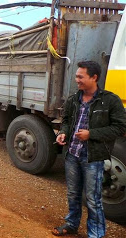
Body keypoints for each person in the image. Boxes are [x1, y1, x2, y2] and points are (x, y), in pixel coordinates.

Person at [52, 61, 126, 237]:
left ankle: (96, 234)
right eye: (77, 76)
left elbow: (120, 127)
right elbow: (67, 121)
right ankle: (71, 224)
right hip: (72, 154)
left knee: (93, 199)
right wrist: (63, 133)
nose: (77, 80)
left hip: (93, 157)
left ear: (94, 77)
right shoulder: (73, 99)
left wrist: (91, 134)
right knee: (73, 194)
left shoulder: (110, 100)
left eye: (80, 76)